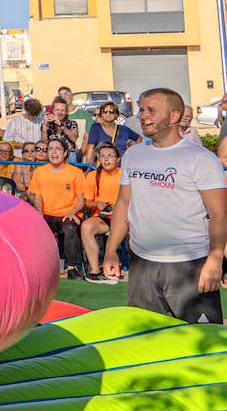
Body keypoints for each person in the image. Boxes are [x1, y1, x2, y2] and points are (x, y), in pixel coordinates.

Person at [103, 88, 227, 323]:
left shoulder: (200, 158)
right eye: (141, 110)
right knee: (146, 340)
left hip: (190, 266)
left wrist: (215, 259)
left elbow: (220, 215)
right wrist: (111, 251)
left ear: (174, 117)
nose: (143, 116)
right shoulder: (133, 154)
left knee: (201, 343)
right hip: (142, 264)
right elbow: (123, 204)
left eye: (151, 110)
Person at [28, 138, 86, 280]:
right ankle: (40, 267)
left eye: (58, 149)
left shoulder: (76, 172)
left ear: (65, 152)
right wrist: (40, 213)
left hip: (68, 213)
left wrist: (72, 212)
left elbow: (80, 200)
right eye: (50, 148)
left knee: (70, 229)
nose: (54, 152)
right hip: (47, 213)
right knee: (35, 229)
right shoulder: (40, 172)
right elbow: (37, 196)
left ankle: (71, 268)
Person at [79, 144, 122, 283]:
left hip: (124, 218)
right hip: (103, 217)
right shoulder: (93, 176)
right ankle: (95, 271)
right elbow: (86, 202)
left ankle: (119, 270)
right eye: (103, 156)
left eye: (110, 155)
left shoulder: (125, 175)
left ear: (118, 159)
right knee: (86, 226)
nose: (106, 159)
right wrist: (97, 204)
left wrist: (119, 206)